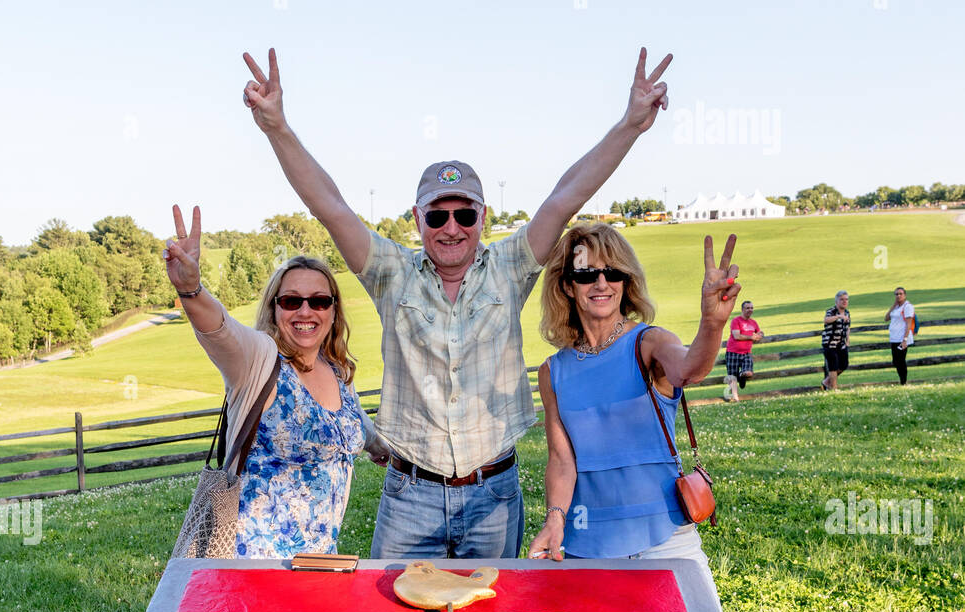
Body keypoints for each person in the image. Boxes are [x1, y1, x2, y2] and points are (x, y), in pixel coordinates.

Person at [241, 45, 672, 559]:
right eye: (437, 215)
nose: (451, 228)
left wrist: (629, 125)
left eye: (464, 216)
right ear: (418, 218)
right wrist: (277, 128)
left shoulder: (510, 269)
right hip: (409, 498)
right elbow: (330, 206)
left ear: (482, 218)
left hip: (493, 493)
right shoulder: (391, 273)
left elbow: (564, 197)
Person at [525, 223, 739, 601]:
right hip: (584, 547)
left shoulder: (649, 342)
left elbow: (690, 369)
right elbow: (561, 460)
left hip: (664, 541)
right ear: (567, 285)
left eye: (614, 272)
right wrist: (554, 520)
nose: (601, 283)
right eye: (587, 273)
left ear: (626, 282)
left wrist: (712, 323)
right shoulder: (552, 371)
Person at [163, 205, 372, 558]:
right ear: (274, 308)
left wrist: (391, 451)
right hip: (252, 566)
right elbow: (220, 329)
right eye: (291, 301)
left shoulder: (337, 368)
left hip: (321, 564)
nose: (305, 311)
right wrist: (191, 289)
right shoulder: (258, 358)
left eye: (319, 301)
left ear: (333, 310)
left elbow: (356, 424)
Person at [723, 299, 763, 401]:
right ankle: (736, 399)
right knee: (732, 377)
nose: (750, 310)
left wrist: (760, 335)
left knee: (749, 372)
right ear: (742, 309)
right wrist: (752, 337)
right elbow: (737, 336)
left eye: (751, 308)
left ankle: (742, 377)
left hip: (746, 353)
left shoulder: (753, 322)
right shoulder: (736, 321)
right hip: (733, 352)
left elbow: (760, 332)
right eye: (747, 308)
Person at [885, 286, 916, 384]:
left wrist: (905, 340)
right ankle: (902, 381)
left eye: (900, 294)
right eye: (896, 294)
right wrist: (894, 305)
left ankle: (903, 382)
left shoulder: (907, 307)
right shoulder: (896, 307)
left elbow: (908, 324)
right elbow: (886, 318)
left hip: (902, 338)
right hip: (894, 338)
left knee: (900, 360)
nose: (898, 296)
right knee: (895, 361)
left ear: (905, 295)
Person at [821, 291, 850, 390]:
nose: (844, 301)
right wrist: (838, 316)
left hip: (841, 344)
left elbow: (848, 327)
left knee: (844, 365)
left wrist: (847, 340)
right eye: (842, 299)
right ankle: (834, 388)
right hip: (830, 344)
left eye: (846, 299)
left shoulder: (847, 313)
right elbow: (826, 320)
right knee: (833, 366)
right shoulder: (831, 311)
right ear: (837, 301)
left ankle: (826, 381)